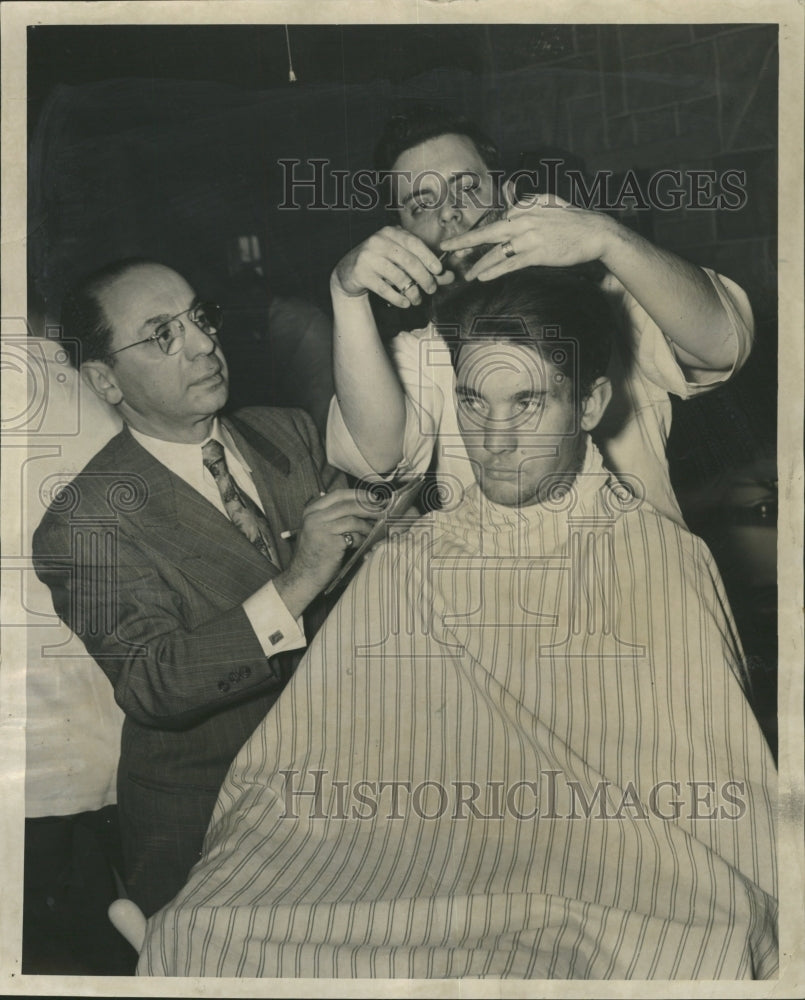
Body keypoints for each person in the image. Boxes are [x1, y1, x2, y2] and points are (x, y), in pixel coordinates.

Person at [139, 269, 776, 980]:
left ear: (591, 403)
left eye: (527, 403)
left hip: (597, 883)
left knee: (667, 945)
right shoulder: (407, 560)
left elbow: (725, 803)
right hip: (405, 872)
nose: (494, 439)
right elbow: (293, 777)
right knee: (197, 934)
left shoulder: (660, 559)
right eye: (473, 403)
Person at [32, 258, 378, 916]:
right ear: (105, 380)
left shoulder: (289, 432)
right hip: (211, 825)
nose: (201, 343)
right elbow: (154, 681)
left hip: (345, 791)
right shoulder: (87, 521)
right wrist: (300, 577)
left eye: (199, 318)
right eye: (161, 333)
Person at [326, 105, 754, 524]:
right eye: (420, 205)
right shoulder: (422, 350)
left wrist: (609, 238)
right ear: (402, 237)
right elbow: (377, 459)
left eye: (467, 188)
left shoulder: (609, 302)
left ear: (509, 194)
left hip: (638, 579)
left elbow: (723, 346)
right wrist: (345, 293)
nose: (449, 213)